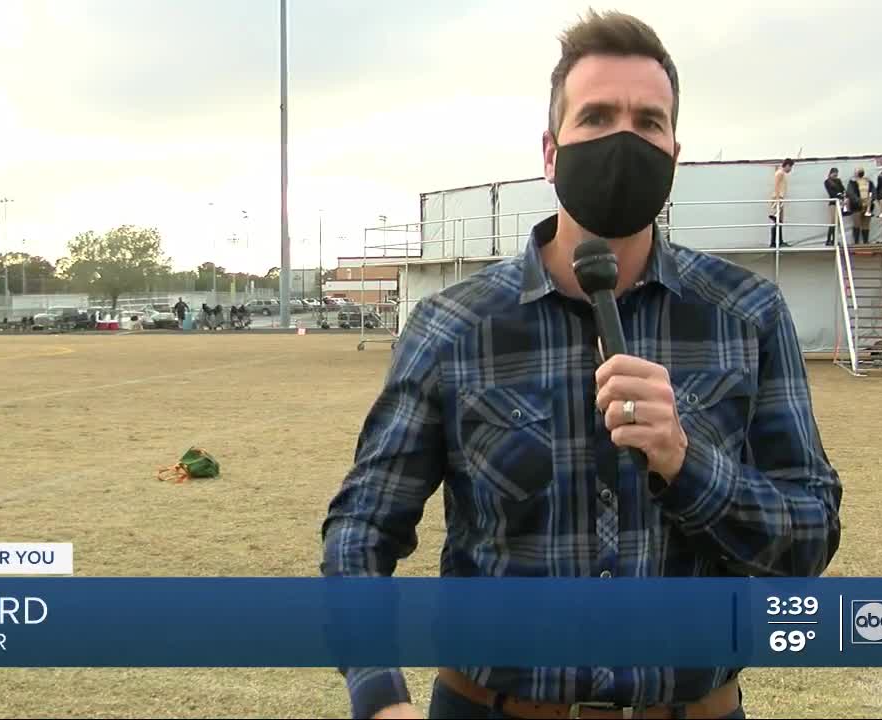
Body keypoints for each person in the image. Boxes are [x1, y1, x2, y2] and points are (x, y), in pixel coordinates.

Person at [321, 11, 842, 720]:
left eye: (648, 122)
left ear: (673, 150)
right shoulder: (453, 326)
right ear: (551, 150)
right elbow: (360, 530)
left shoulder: (747, 314)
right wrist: (378, 698)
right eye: (596, 116)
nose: (624, 139)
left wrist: (686, 463)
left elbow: (808, 536)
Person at [847, 167, 875, 244]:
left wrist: (870, 200)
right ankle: (856, 242)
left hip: (868, 204)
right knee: (857, 223)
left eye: (860, 171)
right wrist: (859, 201)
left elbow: (873, 191)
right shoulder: (852, 182)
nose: (859, 173)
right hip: (857, 206)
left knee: (866, 224)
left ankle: (866, 242)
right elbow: (850, 193)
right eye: (857, 171)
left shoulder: (869, 181)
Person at [769, 158, 793, 247]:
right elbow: (776, 186)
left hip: (779, 198)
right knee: (777, 220)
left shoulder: (780, 173)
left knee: (779, 221)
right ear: (787, 165)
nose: (790, 170)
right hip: (778, 198)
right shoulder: (780, 173)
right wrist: (778, 199)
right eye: (790, 167)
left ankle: (778, 241)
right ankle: (774, 242)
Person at [824, 167, 845, 245]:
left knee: (838, 222)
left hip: (840, 202)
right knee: (833, 221)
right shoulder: (827, 182)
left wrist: (842, 195)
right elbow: (831, 193)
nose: (835, 175)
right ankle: (829, 239)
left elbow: (843, 189)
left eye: (837, 173)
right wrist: (838, 194)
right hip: (833, 203)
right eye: (834, 173)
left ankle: (835, 239)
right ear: (830, 173)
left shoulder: (838, 181)